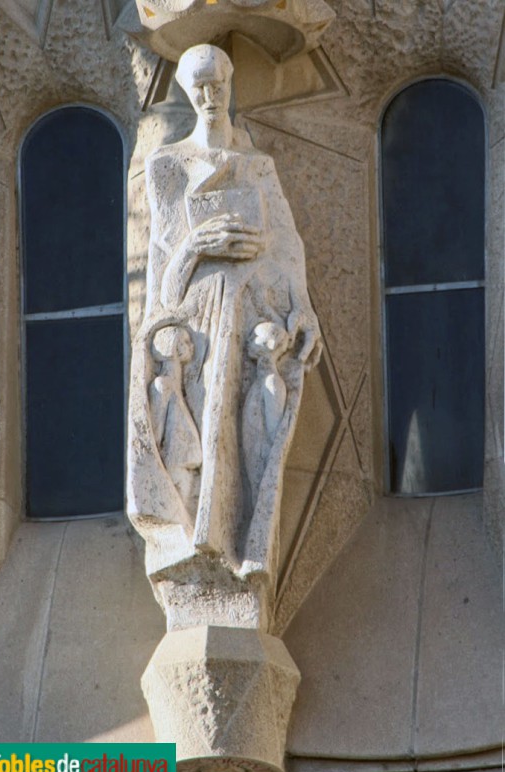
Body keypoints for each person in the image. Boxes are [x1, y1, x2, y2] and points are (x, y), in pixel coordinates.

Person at [128, 44, 322, 581]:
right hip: (199, 327)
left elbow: (287, 247)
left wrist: (302, 306)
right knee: (204, 442)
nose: (211, 97)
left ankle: (246, 550)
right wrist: (198, 244)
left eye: (218, 85)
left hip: (253, 317)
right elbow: (165, 286)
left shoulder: (258, 167)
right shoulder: (169, 166)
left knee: (252, 439)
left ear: (230, 84)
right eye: (200, 89)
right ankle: (202, 553)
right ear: (188, 94)